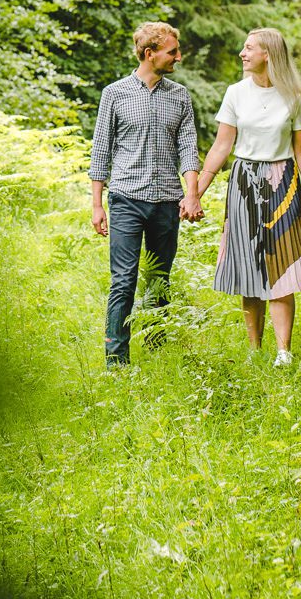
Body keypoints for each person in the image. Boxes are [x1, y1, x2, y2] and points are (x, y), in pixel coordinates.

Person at [192, 28, 301, 366]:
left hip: (284, 184)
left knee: (282, 265)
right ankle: (255, 350)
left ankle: (283, 352)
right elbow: (222, 145)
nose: (242, 53)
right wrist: (196, 192)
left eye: (249, 48)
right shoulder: (236, 93)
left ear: (268, 54)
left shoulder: (295, 96)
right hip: (244, 183)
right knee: (249, 267)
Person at [89, 21, 202, 367]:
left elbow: (188, 148)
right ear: (149, 54)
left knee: (159, 282)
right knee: (124, 280)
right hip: (125, 199)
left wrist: (192, 193)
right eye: (172, 52)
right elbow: (100, 152)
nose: (178, 57)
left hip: (167, 201)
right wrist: (97, 205)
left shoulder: (180, 96)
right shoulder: (114, 94)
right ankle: (116, 361)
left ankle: (155, 352)